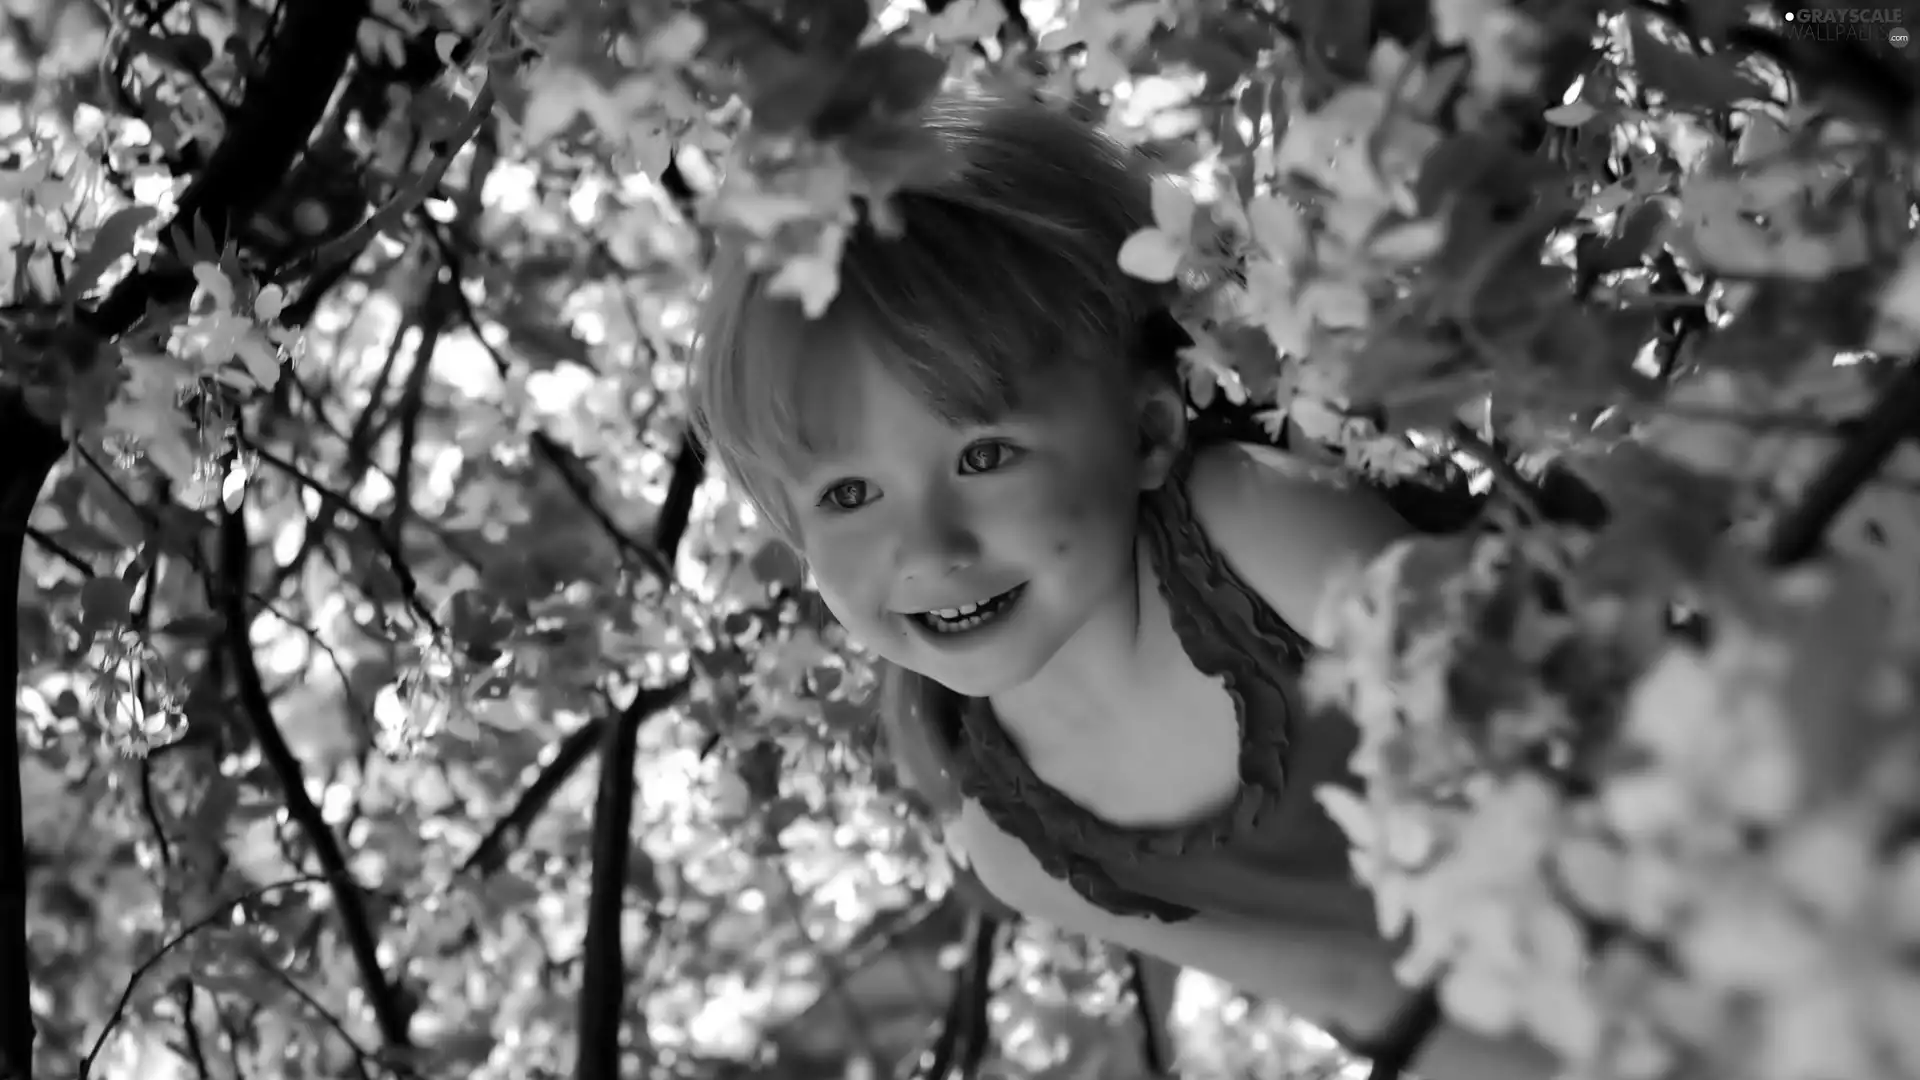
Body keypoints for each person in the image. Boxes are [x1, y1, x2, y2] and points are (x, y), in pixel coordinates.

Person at [691, 86, 1558, 1080]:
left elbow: (1557, 728)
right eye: (847, 492)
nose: (927, 546)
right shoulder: (1023, 853)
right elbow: (1356, 995)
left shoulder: (1255, 530)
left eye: (985, 456)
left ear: (1147, 430)